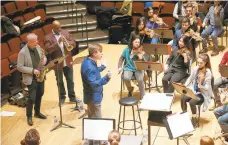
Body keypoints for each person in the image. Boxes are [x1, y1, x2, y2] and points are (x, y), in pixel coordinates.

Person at [44, 20, 79, 105]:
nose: (59, 29)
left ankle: (72, 97)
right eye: (57, 28)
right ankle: (62, 97)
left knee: (70, 80)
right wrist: (57, 43)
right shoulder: (47, 37)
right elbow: (48, 50)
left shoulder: (65, 32)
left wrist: (67, 42)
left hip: (68, 60)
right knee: (59, 81)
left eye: (60, 27)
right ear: (53, 28)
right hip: (57, 63)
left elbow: (73, 42)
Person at [17, 33, 47, 126]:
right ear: (28, 42)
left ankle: (37, 113)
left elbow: (43, 56)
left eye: (36, 40)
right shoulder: (22, 52)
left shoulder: (38, 47)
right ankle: (29, 116)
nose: (36, 43)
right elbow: (19, 67)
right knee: (32, 98)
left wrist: (44, 61)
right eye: (34, 41)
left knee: (40, 94)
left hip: (40, 76)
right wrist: (32, 70)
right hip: (31, 77)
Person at [181, 53, 213, 125]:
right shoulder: (196, 68)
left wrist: (201, 86)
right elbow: (190, 78)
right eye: (198, 62)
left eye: (201, 63)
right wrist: (185, 85)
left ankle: (194, 118)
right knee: (183, 97)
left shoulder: (208, 72)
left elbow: (207, 87)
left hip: (202, 93)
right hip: (194, 90)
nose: (198, 64)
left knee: (192, 102)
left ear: (205, 62)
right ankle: (184, 114)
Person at [81, 44, 111, 118]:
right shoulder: (90, 67)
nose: (102, 53)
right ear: (94, 53)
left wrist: (102, 67)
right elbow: (93, 83)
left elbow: (94, 72)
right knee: (97, 121)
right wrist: (106, 78)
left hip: (92, 96)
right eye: (100, 52)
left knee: (92, 119)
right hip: (93, 98)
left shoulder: (88, 60)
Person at [118, 34, 145, 98]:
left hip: (138, 68)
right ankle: (130, 89)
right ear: (132, 42)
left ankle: (143, 95)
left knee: (140, 79)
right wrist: (119, 67)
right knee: (126, 78)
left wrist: (141, 58)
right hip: (128, 67)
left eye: (138, 42)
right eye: (136, 42)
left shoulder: (141, 50)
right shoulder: (126, 49)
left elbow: (144, 62)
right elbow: (121, 58)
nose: (137, 44)